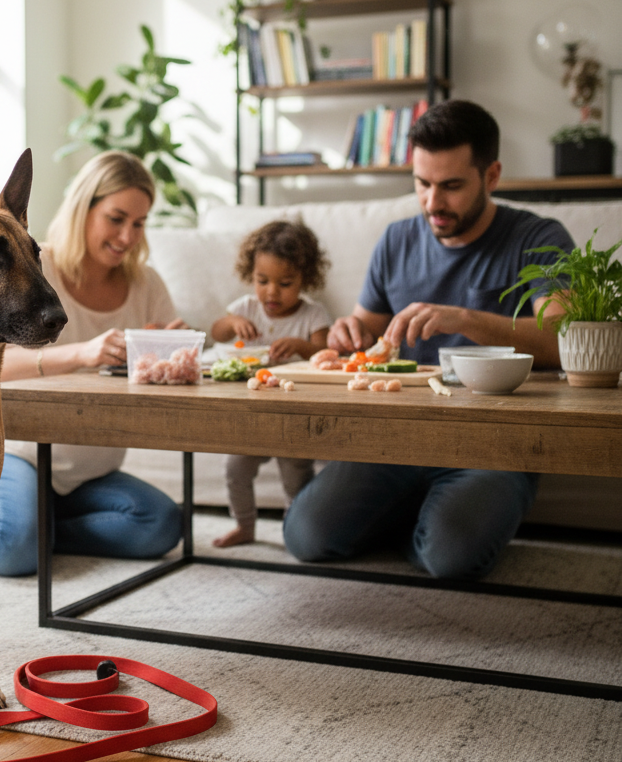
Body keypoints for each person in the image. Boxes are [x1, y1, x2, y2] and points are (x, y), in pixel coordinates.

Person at [282, 99, 575, 580]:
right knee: (305, 537)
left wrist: (462, 317)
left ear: (492, 175)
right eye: (422, 184)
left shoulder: (538, 238)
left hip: (494, 447)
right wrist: (345, 335)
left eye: (451, 186)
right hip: (395, 440)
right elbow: (363, 334)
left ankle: (426, 527)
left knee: (452, 558)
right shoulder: (396, 240)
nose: (433, 203)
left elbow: (560, 339)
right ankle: (422, 521)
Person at [0, 150, 184, 576]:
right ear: (83, 209)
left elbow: (165, 356)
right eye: (116, 218)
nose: (127, 236)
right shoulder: (28, 261)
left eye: (139, 224)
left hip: (90, 469)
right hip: (24, 455)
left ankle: (38, 530)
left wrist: (170, 351)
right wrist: (80, 352)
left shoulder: (146, 283)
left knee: (160, 525)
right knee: (13, 550)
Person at [209, 219, 331, 547]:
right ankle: (244, 526)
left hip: (293, 417)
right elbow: (216, 331)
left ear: (306, 279)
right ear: (252, 275)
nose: (272, 292)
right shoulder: (247, 307)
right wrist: (233, 323)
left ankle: (297, 528)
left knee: (296, 478)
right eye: (262, 280)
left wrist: (300, 346)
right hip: (251, 415)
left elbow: (326, 351)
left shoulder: (313, 314)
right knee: (236, 468)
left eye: (286, 282)